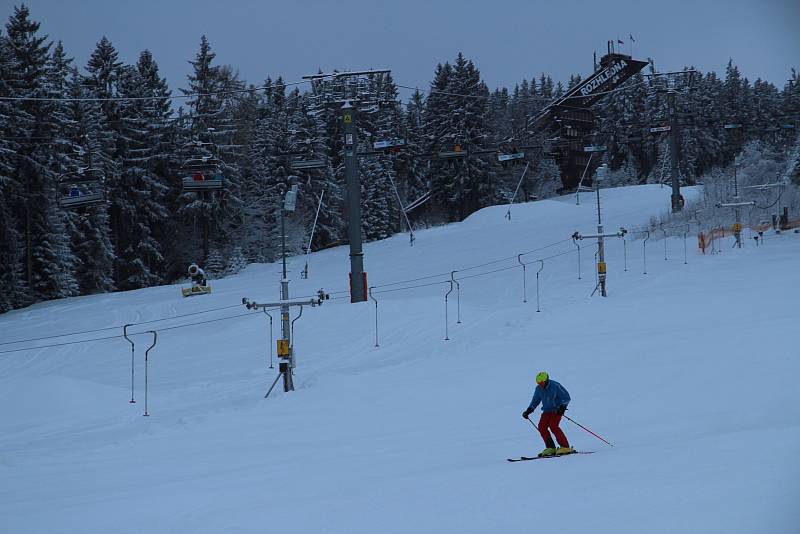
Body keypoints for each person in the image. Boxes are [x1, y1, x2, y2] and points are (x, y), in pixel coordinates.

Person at [522, 371, 575, 457]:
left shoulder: (555, 386)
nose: (540, 385)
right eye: (538, 383)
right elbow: (535, 401)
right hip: (546, 411)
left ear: (546, 380)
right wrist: (528, 410)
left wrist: (562, 407)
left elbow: (566, 397)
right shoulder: (538, 389)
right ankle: (551, 448)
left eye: (541, 382)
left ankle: (565, 447)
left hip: (557, 410)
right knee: (542, 427)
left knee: (553, 426)